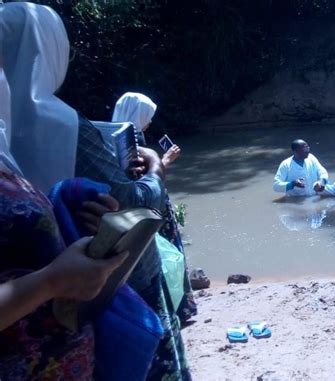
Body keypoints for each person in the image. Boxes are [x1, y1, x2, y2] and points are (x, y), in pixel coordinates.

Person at [2, 3, 191, 379]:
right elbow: (128, 203)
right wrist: (155, 172)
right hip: (94, 294)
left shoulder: (6, 139)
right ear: (50, 51)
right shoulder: (67, 125)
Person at [112, 91, 197, 323]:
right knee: (165, 257)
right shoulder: (130, 142)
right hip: (151, 208)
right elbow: (143, 181)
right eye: (147, 116)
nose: (150, 122)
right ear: (137, 115)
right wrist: (165, 160)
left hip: (142, 210)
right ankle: (179, 308)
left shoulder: (112, 138)